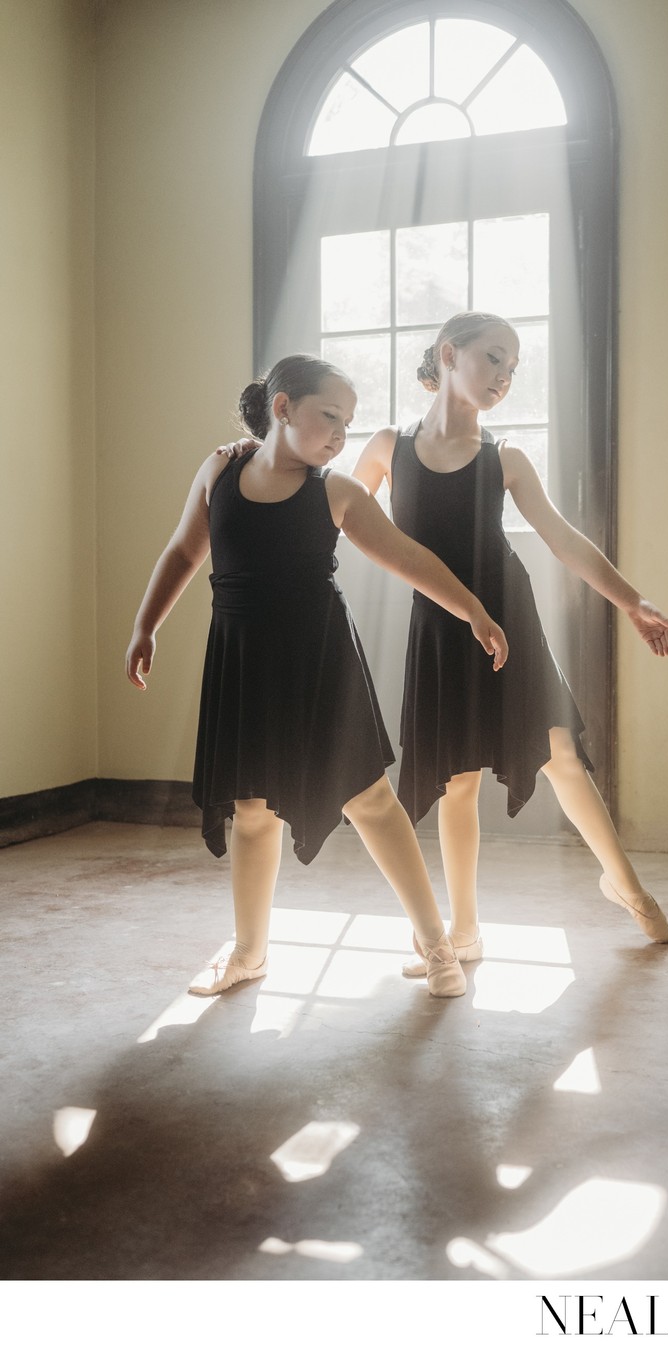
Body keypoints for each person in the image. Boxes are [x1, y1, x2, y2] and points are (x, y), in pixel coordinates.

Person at [125, 353, 508, 1000]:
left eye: (349, 423)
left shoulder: (334, 492)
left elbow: (408, 556)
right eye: (329, 416)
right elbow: (184, 550)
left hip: (320, 662)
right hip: (244, 661)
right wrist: (145, 625)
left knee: (370, 801)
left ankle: (437, 944)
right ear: (282, 408)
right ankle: (249, 954)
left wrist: (472, 609)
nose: (340, 433)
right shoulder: (220, 469)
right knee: (251, 810)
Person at [350, 312, 668, 974]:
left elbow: (563, 540)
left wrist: (633, 601)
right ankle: (465, 931)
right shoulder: (388, 447)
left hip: (508, 611)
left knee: (557, 751)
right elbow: (338, 509)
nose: (504, 376)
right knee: (457, 777)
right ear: (448, 354)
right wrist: (256, 453)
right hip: (440, 623)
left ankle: (627, 885)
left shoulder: (505, 458)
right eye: (494, 358)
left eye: (513, 368)